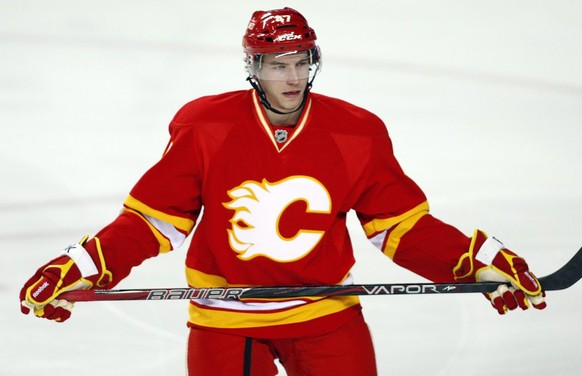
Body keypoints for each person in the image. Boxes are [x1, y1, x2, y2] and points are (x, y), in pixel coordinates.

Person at [20, 7, 546, 376]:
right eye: (278, 65)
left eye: (300, 62)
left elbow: (400, 226)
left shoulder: (355, 131)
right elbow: (155, 219)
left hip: (325, 313)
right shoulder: (207, 126)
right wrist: (86, 265)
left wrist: (471, 260)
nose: (292, 77)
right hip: (225, 317)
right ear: (254, 67)